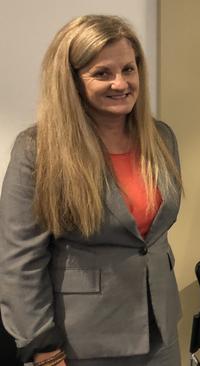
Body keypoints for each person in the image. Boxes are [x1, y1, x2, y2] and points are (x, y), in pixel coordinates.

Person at [0, 15, 183, 366]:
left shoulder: (161, 138)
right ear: (72, 80)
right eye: (102, 73)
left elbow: (152, 237)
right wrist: (42, 347)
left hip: (160, 331)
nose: (121, 83)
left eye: (129, 69)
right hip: (82, 341)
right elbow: (19, 261)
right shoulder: (38, 150)